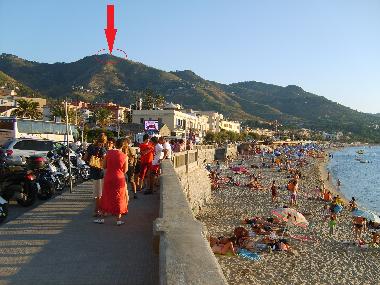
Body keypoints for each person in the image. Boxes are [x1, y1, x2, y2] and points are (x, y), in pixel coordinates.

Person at [94, 138, 129, 225]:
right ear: (123, 146)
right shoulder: (125, 156)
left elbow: (104, 166)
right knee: (119, 197)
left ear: (115, 144)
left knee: (106, 196)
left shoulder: (108, 153)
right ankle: (118, 219)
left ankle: (102, 217)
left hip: (109, 177)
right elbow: (125, 170)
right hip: (119, 178)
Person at [84, 133, 107, 217]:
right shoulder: (103, 149)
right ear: (104, 140)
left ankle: (96, 210)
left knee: (96, 193)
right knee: (100, 193)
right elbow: (105, 162)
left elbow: (85, 157)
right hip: (100, 172)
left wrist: (91, 162)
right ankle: (99, 210)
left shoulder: (90, 147)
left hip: (93, 172)